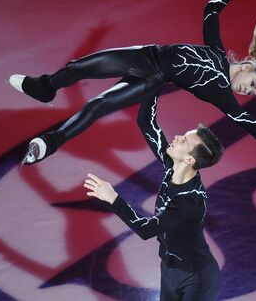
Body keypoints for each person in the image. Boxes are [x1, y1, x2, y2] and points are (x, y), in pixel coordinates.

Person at [9, 0, 256, 185]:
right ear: (248, 64)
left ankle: (49, 143)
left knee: (97, 106)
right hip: (145, 55)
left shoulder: (223, 96)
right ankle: (44, 87)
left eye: (250, 92)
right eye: (251, 84)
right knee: (77, 68)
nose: (245, 91)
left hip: (152, 79)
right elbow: (212, 8)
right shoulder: (216, 50)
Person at [84, 94, 224, 300]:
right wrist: (153, 83)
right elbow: (146, 123)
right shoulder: (171, 166)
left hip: (198, 278)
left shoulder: (190, 200)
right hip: (169, 269)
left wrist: (113, 198)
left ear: (189, 159)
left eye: (183, 140)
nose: (176, 137)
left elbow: (146, 229)